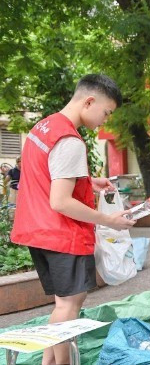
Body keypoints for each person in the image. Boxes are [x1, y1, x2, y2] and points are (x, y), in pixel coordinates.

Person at [10, 74, 135, 365]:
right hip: (62, 234)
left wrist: (88, 182)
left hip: (37, 229)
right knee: (68, 308)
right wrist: (108, 219)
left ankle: (48, 362)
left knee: (63, 306)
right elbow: (61, 201)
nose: (105, 120)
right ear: (89, 101)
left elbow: (47, 175)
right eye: (106, 112)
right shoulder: (70, 140)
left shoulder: (43, 127)